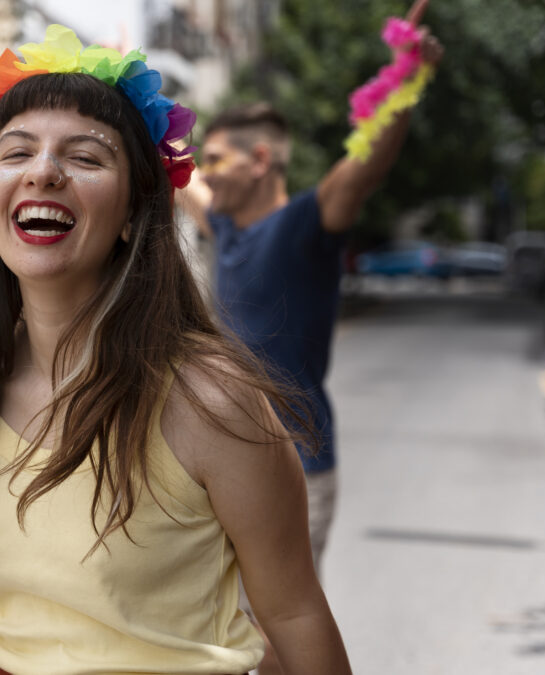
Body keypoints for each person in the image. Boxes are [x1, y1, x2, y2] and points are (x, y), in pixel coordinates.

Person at [0, 25, 351, 675]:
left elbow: (295, 615)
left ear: (133, 214)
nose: (44, 170)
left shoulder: (212, 401)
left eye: (86, 157)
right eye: (16, 152)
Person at [176, 15, 442, 674]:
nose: (206, 171)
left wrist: (406, 81)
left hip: (299, 461)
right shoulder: (227, 232)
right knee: (226, 623)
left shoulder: (303, 224)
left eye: (218, 158)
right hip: (222, 460)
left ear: (261, 159)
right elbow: (176, 172)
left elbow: (363, 168)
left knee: (276, 632)